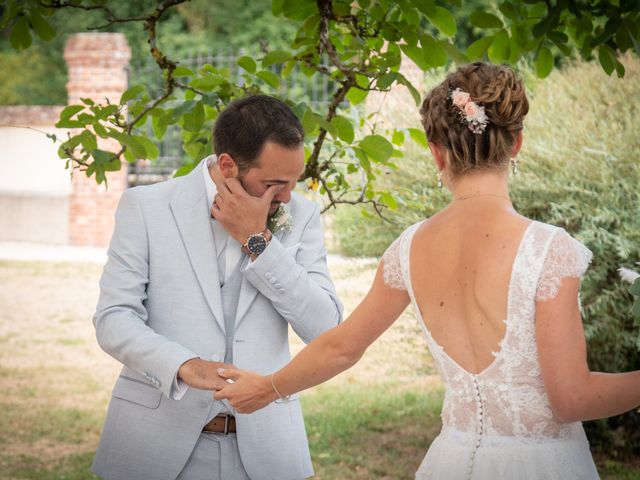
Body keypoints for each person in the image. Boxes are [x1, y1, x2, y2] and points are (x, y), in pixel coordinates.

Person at [214, 63, 640, 479]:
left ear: (436, 151)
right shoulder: (549, 250)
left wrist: (268, 386)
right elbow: (571, 398)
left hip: (451, 461)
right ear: (516, 145)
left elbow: (341, 347)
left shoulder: (409, 248)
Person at [91, 95, 343, 480]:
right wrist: (184, 366)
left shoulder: (302, 217)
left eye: (294, 182)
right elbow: (113, 319)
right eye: (274, 184)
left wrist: (259, 241)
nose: (288, 198)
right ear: (227, 165)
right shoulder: (146, 207)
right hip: (154, 446)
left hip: (267, 451)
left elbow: (326, 329)